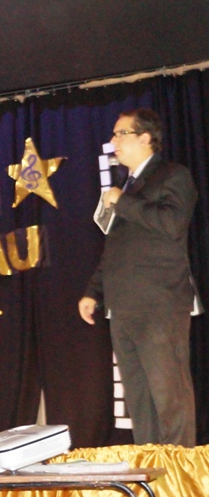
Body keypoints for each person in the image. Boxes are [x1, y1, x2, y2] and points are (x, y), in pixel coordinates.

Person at [79, 108, 199, 446]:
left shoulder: (172, 175)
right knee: (140, 399)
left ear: (145, 138)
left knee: (170, 394)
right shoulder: (127, 187)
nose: (113, 141)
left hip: (159, 303)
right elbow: (117, 248)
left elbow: (173, 223)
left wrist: (123, 202)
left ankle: (179, 469)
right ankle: (151, 464)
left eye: (121, 134)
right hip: (123, 306)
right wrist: (93, 291)